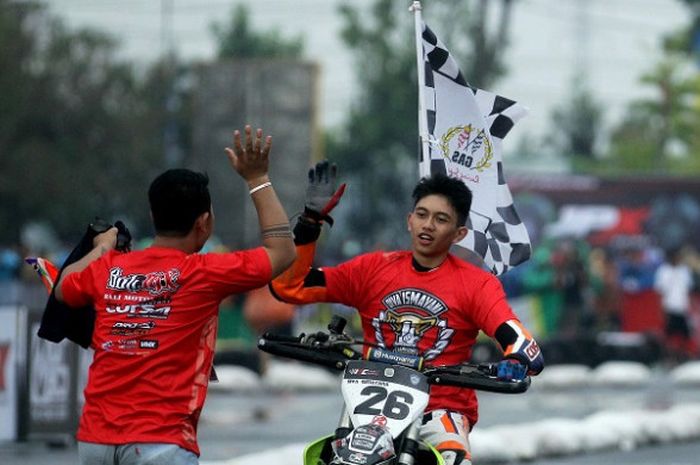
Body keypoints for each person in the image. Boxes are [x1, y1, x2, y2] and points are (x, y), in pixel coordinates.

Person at [270, 162, 544, 465]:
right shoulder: (372, 269)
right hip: (368, 410)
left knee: (454, 459)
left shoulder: (477, 284)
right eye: (422, 215)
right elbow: (289, 286)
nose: (428, 225)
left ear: (458, 233)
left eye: (441, 219)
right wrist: (309, 223)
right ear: (409, 220)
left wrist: (517, 360)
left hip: (440, 410)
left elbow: (517, 338)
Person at [54, 125, 296, 465]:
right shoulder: (205, 273)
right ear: (204, 223)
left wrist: (103, 246)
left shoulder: (108, 268)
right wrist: (258, 178)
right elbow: (283, 252)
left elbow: (64, 286)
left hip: (94, 442)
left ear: (153, 216)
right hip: (160, 444)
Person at [654, 247, 695, 362]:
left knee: (685, 335)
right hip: (669, 308)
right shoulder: (663, 271)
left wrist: (690, 308)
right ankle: (668, 358)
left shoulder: (684, 271)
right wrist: (661, 311)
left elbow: (688, 290)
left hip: (683, 308)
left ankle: (683, 357)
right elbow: (659, 292)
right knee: (668, 336)